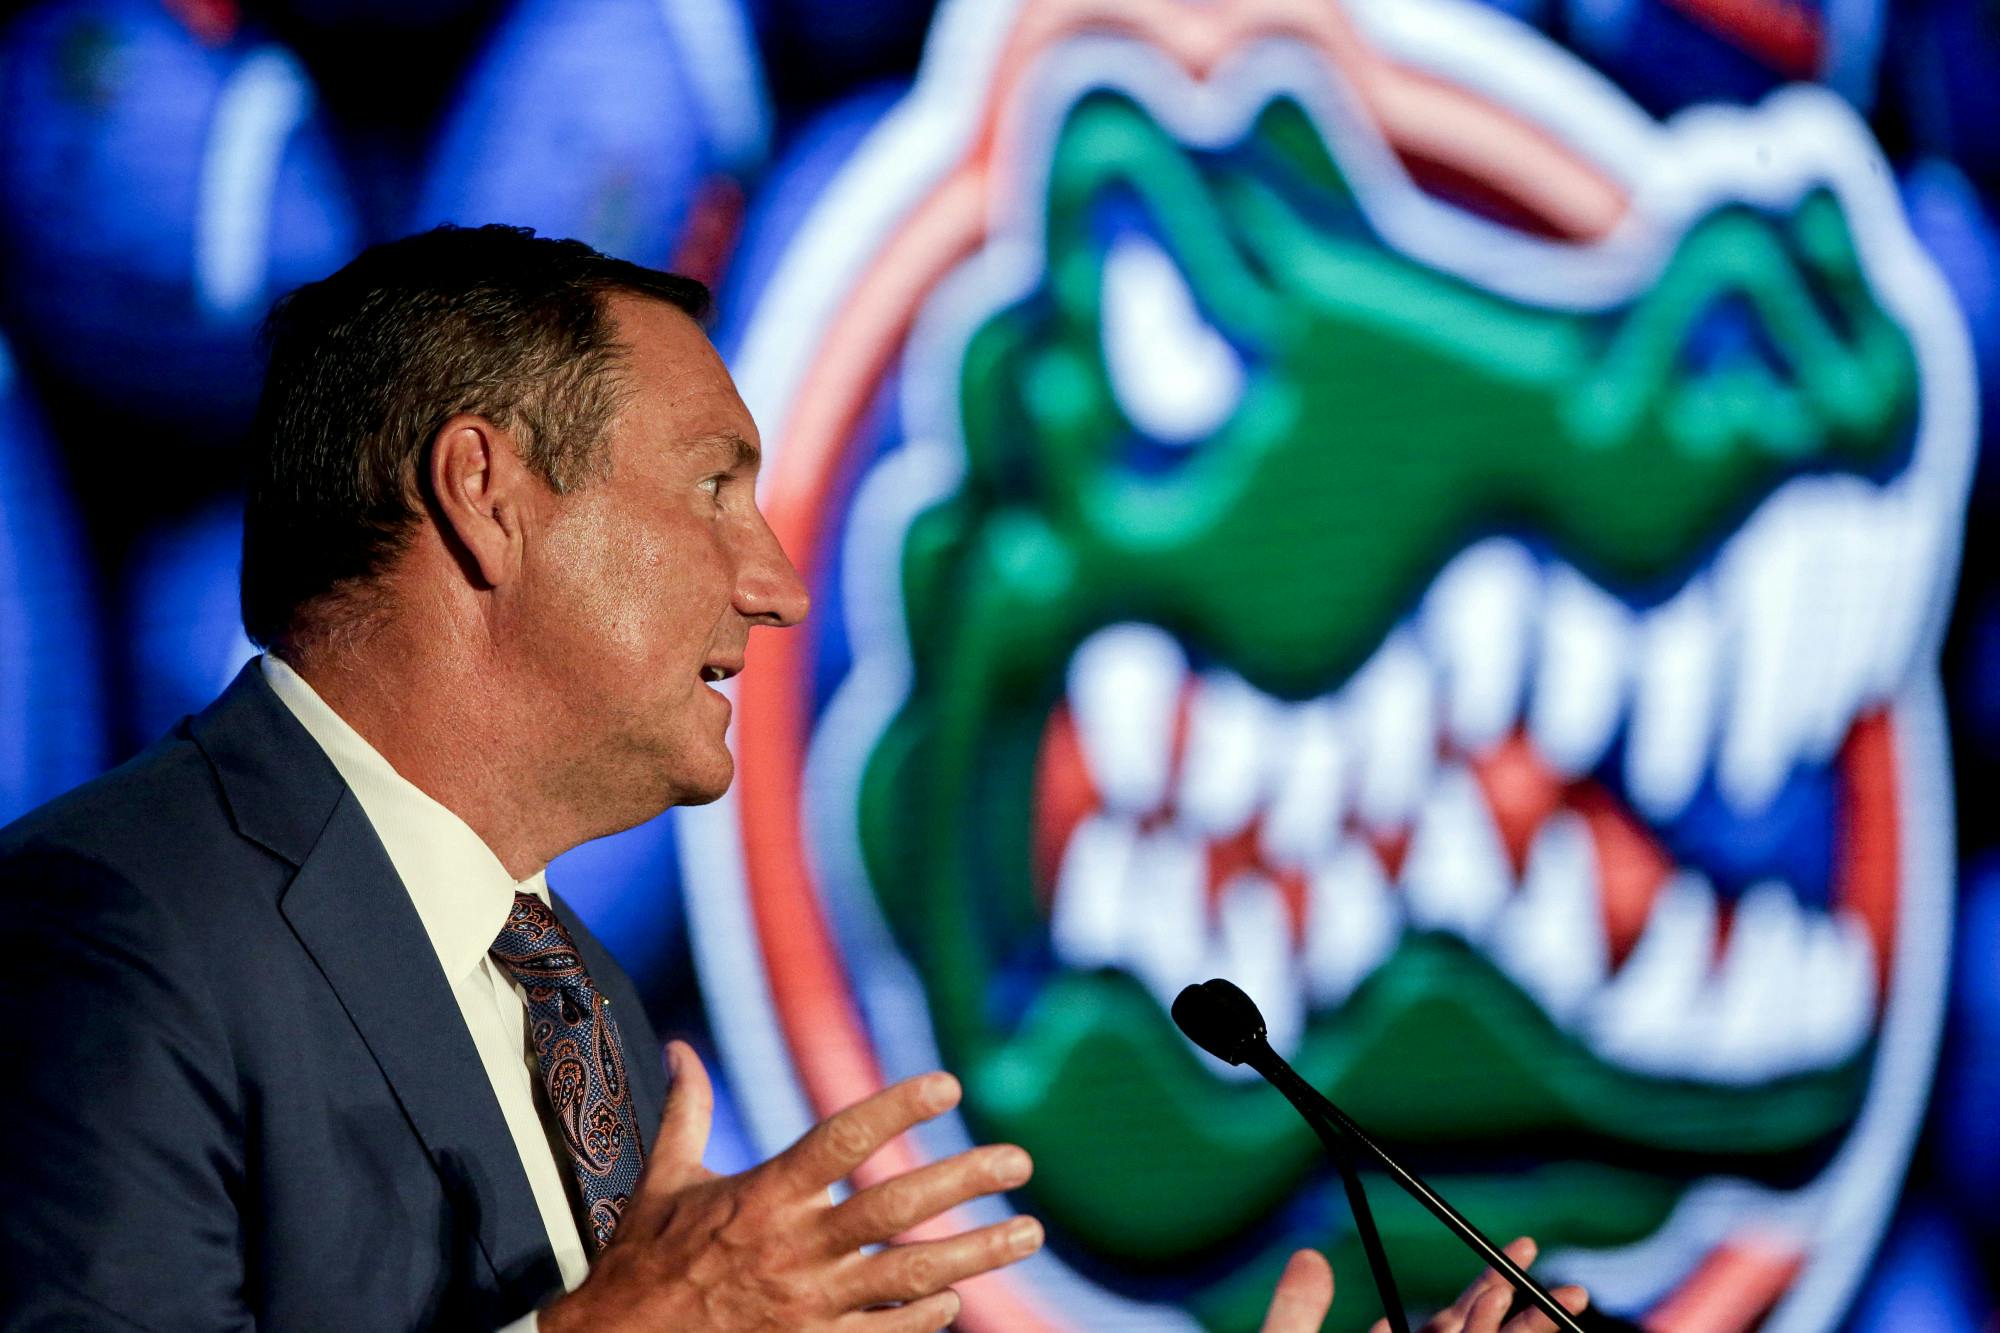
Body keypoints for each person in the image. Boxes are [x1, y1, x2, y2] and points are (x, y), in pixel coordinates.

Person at [0, 225, 1588, 1333]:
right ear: (485, 491)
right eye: (714, 487)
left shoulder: (585, 1010)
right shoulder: (107, 929)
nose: (776, 584)